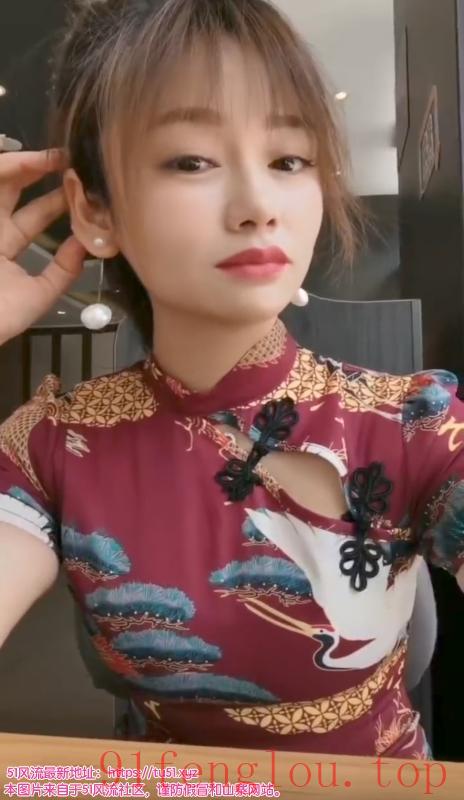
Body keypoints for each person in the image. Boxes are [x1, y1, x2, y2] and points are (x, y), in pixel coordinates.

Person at [0, 0, 463, 759]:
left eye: (289, 160)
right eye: (192, 161)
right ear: (96, 210)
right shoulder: (55, 446)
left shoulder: (415, 424)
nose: (258, 206)